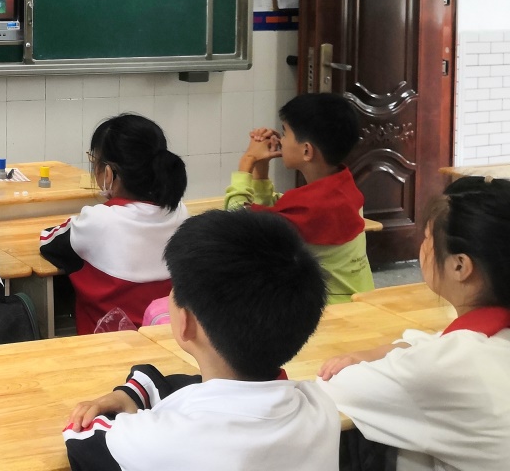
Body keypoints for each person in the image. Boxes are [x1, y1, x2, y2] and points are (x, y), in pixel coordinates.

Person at [62, 209, 338, 471]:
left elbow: (82, 436)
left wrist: (133, 393)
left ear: (186, 323)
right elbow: (220, 391)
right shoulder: (319, 407)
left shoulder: (164, 440)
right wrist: (137, 392)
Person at [319, 176, 510, 471]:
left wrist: (367, 359)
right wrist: (382, 351)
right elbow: (435, 342)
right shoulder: (486, 341)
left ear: (460, 266)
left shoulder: (446, 366)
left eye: (428, 239)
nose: (423, 249)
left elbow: (336, 386)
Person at [40, 114, 189, 333]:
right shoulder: (180, 213)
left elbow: (48, 242)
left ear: (109, 174)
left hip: (108, 348)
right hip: (168, 344)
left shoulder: (99, 220)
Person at [225, 92, 373, 303]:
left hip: (330, 312)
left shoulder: (313, 208)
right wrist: (261, 168)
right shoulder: (341, 186)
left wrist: (247, 161)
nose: (280, 140)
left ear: (306, 150)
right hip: (359, 301)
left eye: (285, 133)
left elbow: (235, 226)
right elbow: (269, 220)